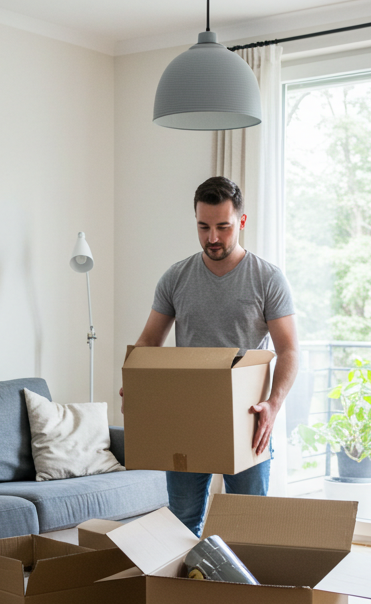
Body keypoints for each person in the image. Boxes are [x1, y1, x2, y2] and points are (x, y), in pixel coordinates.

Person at [128, 176, 299, 535]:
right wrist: (136, 382)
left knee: (246, 526)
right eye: (203, 227)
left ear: (242, 221)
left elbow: (289, 351)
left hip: (249, 419)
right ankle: (186, 575)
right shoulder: (176, 277)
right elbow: (148, 341)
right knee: (182, 522)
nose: (213, 238)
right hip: (186, 416)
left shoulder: (267, 278)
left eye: (223, 226)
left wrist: (273, 405)